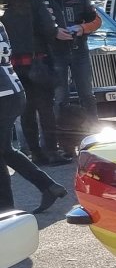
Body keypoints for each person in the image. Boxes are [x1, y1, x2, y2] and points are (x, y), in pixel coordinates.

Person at [0, 21, 68, 213]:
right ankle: (48, 186)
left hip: (4, 94)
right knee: (5, 150)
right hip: (11, 91)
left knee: (3, 150)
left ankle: (5, 209)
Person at [2, 0, 65, 164]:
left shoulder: (1, 3)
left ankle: (35, 153)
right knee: (45, 108)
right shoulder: (34, 0)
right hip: (37, 60)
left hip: (11, 64)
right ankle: (52, 152)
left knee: (26, 110)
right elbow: (49, 30)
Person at [35, 0, 101, 124]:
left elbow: (96, 20)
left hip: (79, 50)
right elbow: (28, 24)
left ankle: (94, 129)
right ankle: (60, 134)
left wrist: (82, 28)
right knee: (59, 95)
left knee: (87, 94)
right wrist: (53, 32)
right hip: (51, 53)